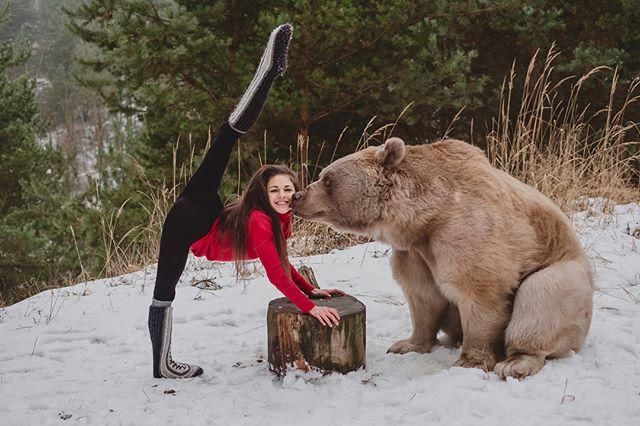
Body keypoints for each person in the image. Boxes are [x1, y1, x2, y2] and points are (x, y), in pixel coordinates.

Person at [148, 24, 344, 379]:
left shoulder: (276, 218)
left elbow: (282, 262)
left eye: (288, 189)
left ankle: (268, 72)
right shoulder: (259, 221)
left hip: (203, 211)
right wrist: (308, 308)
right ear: (263, 194)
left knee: (226, 137)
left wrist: (311, 289)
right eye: (275, 191)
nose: (284, 196)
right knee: (164, 292)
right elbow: (274, 273)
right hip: (191, 226)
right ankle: (161, 365)